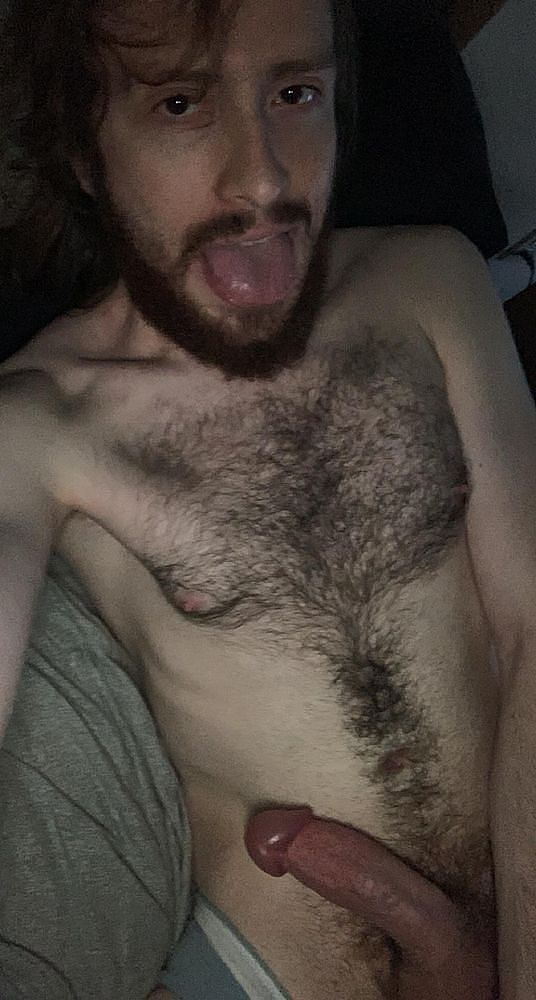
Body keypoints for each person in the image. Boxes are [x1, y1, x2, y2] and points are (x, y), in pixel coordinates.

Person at [0, 0, 534, 997]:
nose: (263, 177)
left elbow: (531, 619)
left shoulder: (433, 279)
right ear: (83, 151)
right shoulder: (36, 426)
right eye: (179, 104)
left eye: (295, 93)